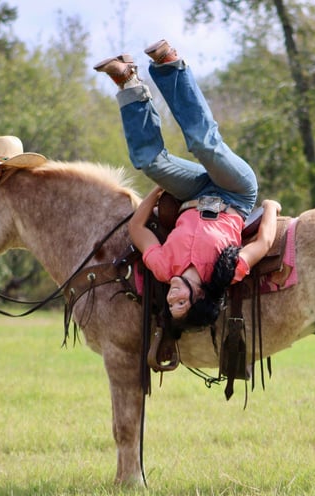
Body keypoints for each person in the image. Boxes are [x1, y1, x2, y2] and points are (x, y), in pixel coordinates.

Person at [95, 40, 282, 329]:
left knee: (149, 163)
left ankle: (127, 81)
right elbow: (264, 242)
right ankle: (169, 65)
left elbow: (137, 230)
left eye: (171, 304)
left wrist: (156, 191)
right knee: (203, 145)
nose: (172, 297)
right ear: (199, 297)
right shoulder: (228, 271)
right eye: (180, 302)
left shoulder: (163, 268)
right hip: (236, 193)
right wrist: (271, 207)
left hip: (193, 194)